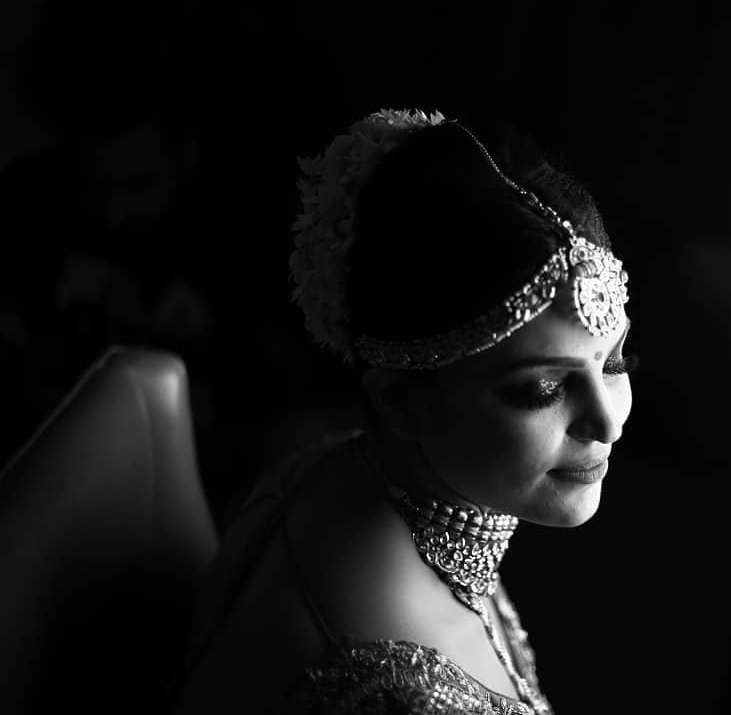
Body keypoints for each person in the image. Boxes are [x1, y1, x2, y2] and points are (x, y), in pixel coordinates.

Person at [174, 109, 635, 714]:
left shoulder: (346, 469)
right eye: (542, 389)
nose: (607, 421)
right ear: (401, 401)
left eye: (615, 360)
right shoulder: (397, 690)